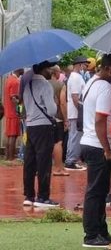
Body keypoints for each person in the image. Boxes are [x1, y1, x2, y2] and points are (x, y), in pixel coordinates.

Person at [81, 54, 111, 247]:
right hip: (99, 145)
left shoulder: (91, 83)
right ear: (107, 68)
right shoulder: (104, 87)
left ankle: (100, 230)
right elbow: (100, 119)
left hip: (91, 142)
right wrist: (107, 147)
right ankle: (91, 235)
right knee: (95, 191)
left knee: (99, 190)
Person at [22, 61, 60, 208]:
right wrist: (55, 104)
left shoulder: (27, 84)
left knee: (29, 162)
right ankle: (43, 197)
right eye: (49, 68)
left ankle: (29, 195)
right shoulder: (45, 85)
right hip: (43, 126)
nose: (51, 70)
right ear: (43, 69)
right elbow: (51, 110)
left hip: (30, 126)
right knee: (44, 162)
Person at [65, 56, 88, 171]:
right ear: (79, 65)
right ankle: (70, 161)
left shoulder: (76, 77)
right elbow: (75, 97)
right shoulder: (75, 78)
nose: (86, 67)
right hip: (76, 112)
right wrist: (81, 111)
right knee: (75, 137)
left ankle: (71, 159)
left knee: (74, 136)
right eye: (85, 64)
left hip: (75, 112)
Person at [49, 65, 69, 177]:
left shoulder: (44, 84)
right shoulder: (60, 84)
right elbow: (62, 102)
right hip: (57, 117)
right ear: (55, 73)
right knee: (58, 143)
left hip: (45, 118)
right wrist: (65, 118)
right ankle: (58, 168)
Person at [4, 68, 23, 161]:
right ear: (19, 70)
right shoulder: (15, 82)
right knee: (13, 135)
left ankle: (8, 157)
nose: (24, 69)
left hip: (8, 111)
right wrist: (20, 111)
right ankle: (11, 158)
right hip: (13, 112)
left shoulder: (8, 79)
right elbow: (14, 98)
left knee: (9, 135)